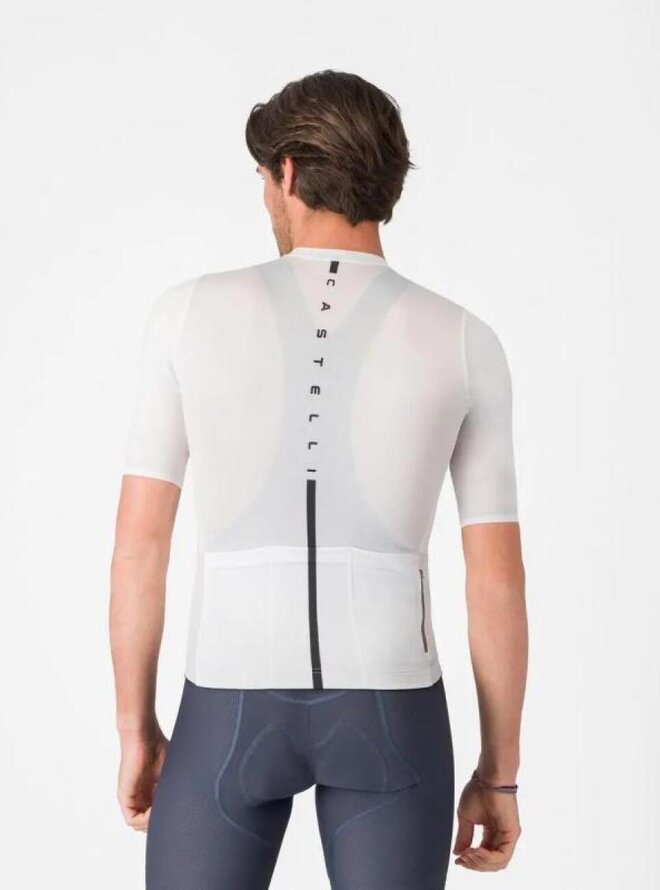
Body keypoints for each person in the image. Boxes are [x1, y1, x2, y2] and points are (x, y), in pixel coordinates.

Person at [109, 69, 527, 890]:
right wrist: (500, 773)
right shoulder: (465, 340)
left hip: (227, 702)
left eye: (264, 178)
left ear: (288, 173)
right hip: (393, 709)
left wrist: (136, 728)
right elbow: (497, 580)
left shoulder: (184, 315)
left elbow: (138, 548)